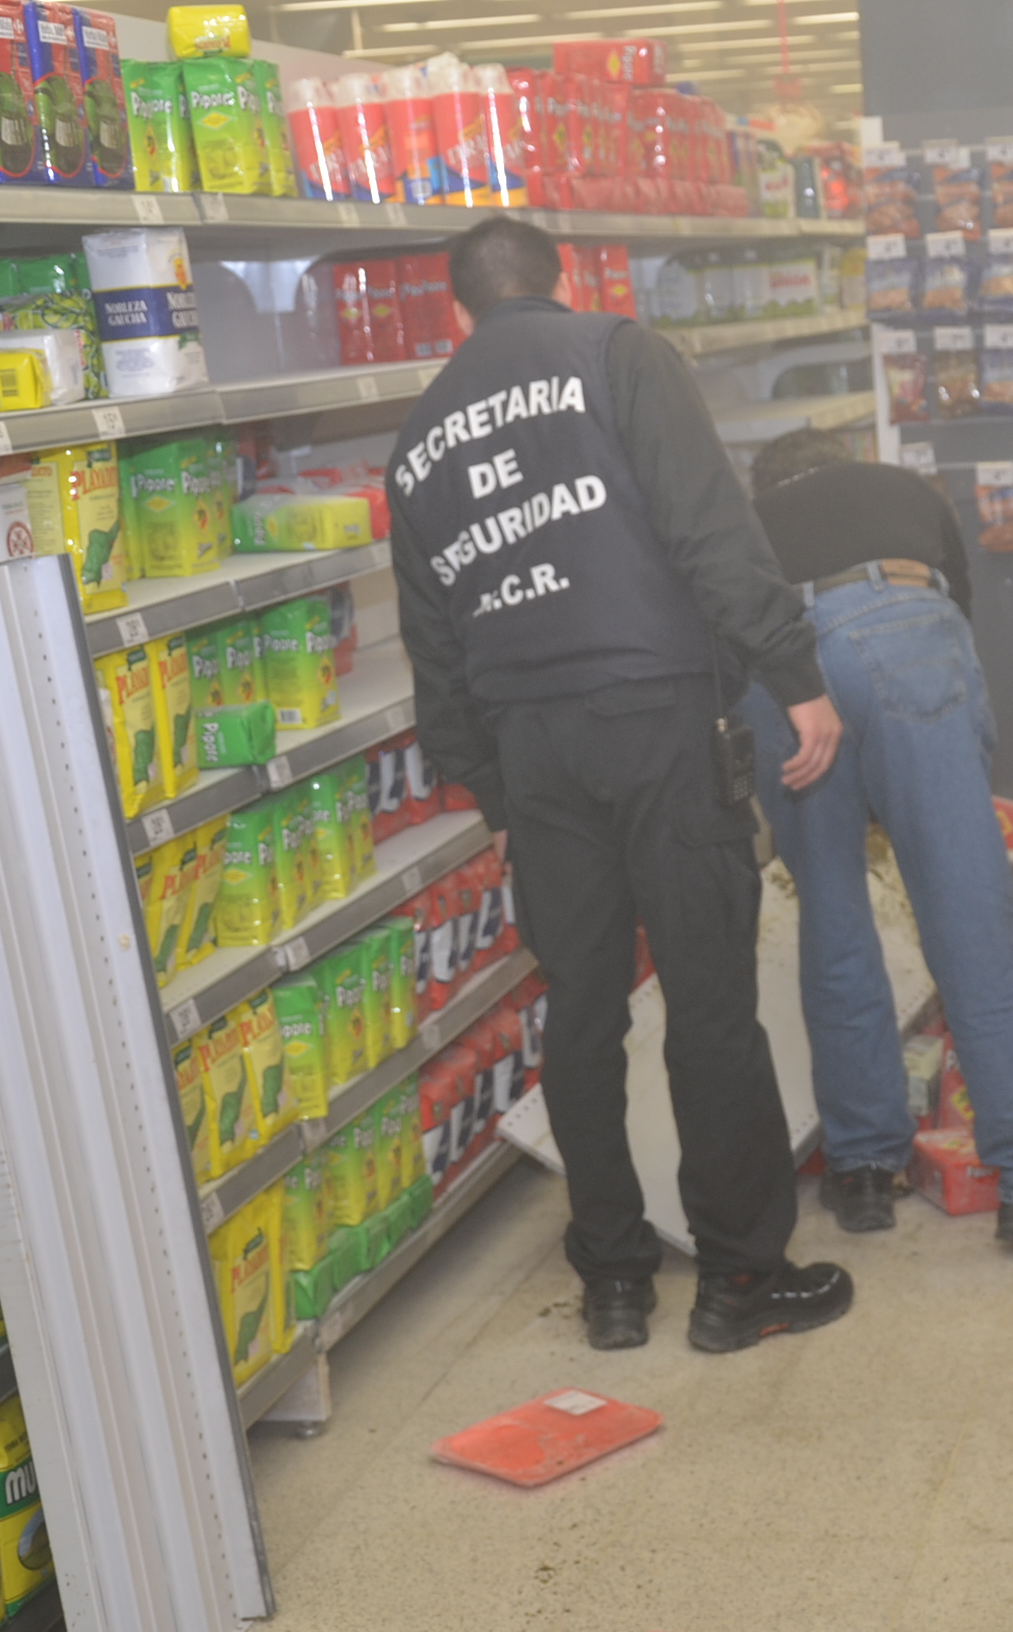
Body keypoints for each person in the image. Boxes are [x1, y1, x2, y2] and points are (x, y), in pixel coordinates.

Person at [387, 217, 853, 1355]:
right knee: (707, 1000)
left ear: (458, 312)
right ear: (564, 281)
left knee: (582, 1011)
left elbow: (432, 651)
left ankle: (611, 1280)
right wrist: (794, 674)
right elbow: (709, 529)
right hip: (655, 720)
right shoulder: (617, 354)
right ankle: (740, 1277)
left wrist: (497, 793)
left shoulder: (418, 441)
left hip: (532, 750)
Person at [735, 429, 1013, 1246]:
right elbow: (957, 612)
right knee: (967, 912)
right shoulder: (897, 487)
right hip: (900, 626)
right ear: (841, 460)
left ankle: (864, 1169)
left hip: (776, 670)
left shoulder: (744, 524)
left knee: (832, 919)